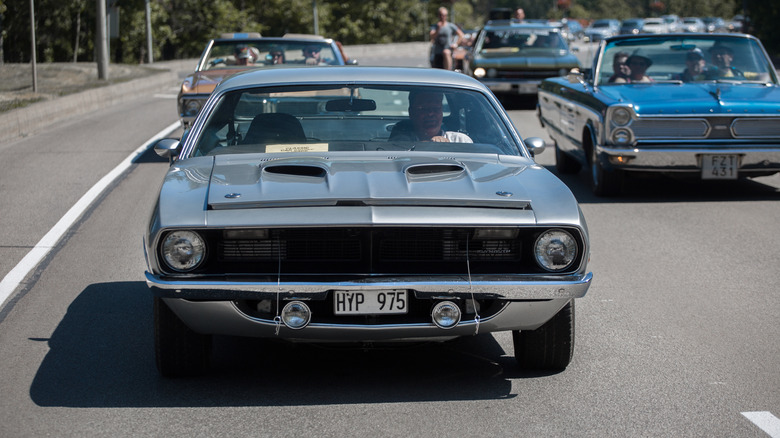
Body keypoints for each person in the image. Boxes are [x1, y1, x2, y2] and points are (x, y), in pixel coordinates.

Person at [389, 91, 472, 143]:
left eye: (436, 108)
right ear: (411, 112)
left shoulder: (460, 141)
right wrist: (430, 144)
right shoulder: (400, 143)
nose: (430, 113)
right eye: (424, 109)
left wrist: (449, 147)